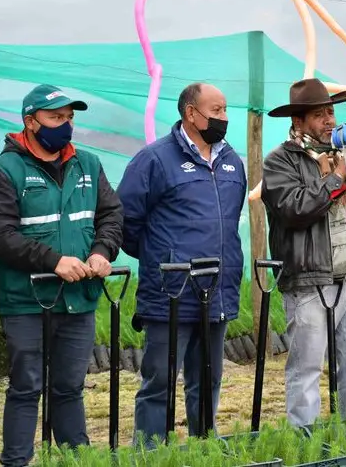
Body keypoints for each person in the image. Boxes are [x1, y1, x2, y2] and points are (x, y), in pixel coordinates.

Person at [0, 84, 123, 466]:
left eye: (69, 118)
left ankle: (78, 461)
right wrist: (54, 260)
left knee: (70, 388)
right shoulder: (1, 171)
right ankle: (17, 463)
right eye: (56, 118)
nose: (65, 125)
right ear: (30, 121)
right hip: (26, 301)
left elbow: (111, 214)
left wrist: (102, 250)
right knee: (26, 388)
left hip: (79, 301)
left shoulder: (88, 164)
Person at [118, 83, 247, 444]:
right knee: (159, 379)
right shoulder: (155, 159)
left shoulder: (231, 161)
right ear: (191, 113)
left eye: (225, 111)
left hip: (216, 290)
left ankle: (204, 447)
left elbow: (229, 220)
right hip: (171, 294)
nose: (223, 118)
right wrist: (166, 260)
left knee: (208, 379)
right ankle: (151, 453)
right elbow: (127, 222)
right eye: (216, 110)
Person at [262, 78, 346, 427]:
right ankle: (303, 448)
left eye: (331, 112)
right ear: (298, 122)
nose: (330, 121)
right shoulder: (280, 162)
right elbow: (295, 210)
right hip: (312, 284)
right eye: (319, 115)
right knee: (306, 372)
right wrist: (334, 180)